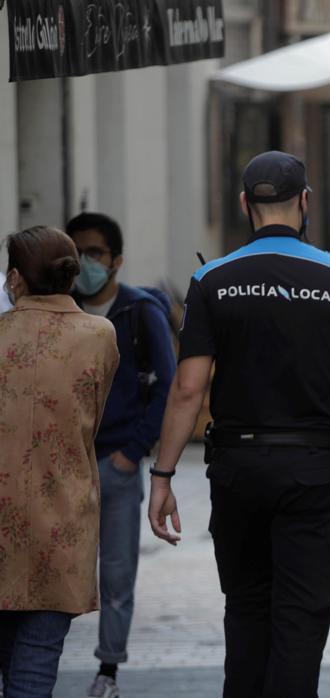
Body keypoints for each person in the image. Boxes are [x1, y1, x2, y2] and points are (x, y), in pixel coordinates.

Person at [146, 151, 330, 696]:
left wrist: (162, 477)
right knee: (301, 622)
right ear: (305, 203)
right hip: (315, 470)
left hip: (238, 469)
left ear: (243, 205)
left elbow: (188, 389)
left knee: (247, 610)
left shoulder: (211, 280)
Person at [0, 227, 119, 698]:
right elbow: (93, 416)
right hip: (62, 520)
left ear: (14, 280)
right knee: (36, 664)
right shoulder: (98, 334)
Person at [66, 213, 177, 698]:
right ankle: (34, 659)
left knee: (115, 573)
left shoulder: (139, 312)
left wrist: (133, 453)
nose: (86, 263)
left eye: (95, 253)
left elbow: (170, 389)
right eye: (78, 254)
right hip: (64, 467)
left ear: (117, 261)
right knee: (55, 572)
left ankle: (107, 669)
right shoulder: (61, 310)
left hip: (116, 463)